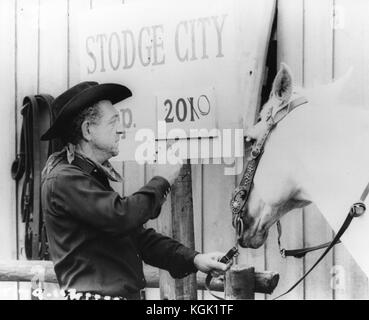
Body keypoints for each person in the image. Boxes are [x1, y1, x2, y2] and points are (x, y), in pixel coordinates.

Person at [40, 81, 230, 300]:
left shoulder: (85, 178)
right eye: (113, 122)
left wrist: (195, 259)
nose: (121, 130)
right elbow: (122, 216)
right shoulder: (65, 179)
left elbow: (136, 237)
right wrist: (162, 180)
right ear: (88, 130)